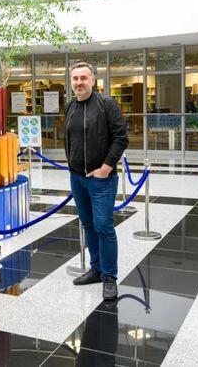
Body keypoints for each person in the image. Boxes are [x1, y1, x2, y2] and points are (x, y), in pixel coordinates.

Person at [63, 62, 128, 301]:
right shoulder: (70, 106)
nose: (79, 82)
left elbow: (121, 138)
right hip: (78, 178)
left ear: (93, 81)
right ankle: (96, 268)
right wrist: (72, 168)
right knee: (88, 224)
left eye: (83, 78)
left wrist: (105, 168)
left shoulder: (106, 105)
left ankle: (109, 276)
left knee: (103, 226)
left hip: (101, 180)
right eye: (75, 78)